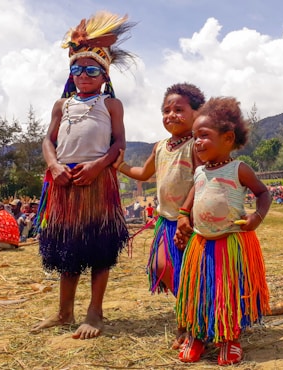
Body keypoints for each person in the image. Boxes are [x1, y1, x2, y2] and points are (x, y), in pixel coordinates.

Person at [30, 11, 133, 339]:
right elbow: (48, 140)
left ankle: (95, 312)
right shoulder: (62, 104)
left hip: (97, 181)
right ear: (71, 73)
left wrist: (98, 166)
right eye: (78, 69)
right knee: (67, 247)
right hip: (64, 183)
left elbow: (119, 143)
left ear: (104, 76)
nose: (84, 75)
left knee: (99, 245)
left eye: (91, 70)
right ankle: (64, 312)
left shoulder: (111, 105)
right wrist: (55, 166)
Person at [174, 97, 271, 366]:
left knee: (226, 292)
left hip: (230, 243)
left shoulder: (239, 169)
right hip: (201, 243)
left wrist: (257, 216)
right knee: (198, 291)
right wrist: (183, 214)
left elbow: (263, 192)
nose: (197, 142)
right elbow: (194, 193)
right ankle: (196, 335)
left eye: (204, 136)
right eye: (195, 137)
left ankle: (229, 339)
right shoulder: (199, 171)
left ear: (228, 138)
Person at [113, 82, 205, 348]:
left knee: (191, 274)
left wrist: (186, 213)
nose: (171, 115)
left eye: (179, 109)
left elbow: (201, 180)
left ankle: (192, 325)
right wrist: (121, 166)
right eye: (166, 110)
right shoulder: (161, 146)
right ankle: (189, 313)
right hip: (166, 221)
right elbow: (144, 173)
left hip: (191, 222)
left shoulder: (197, 145)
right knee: (162, 268)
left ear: (197, 113)